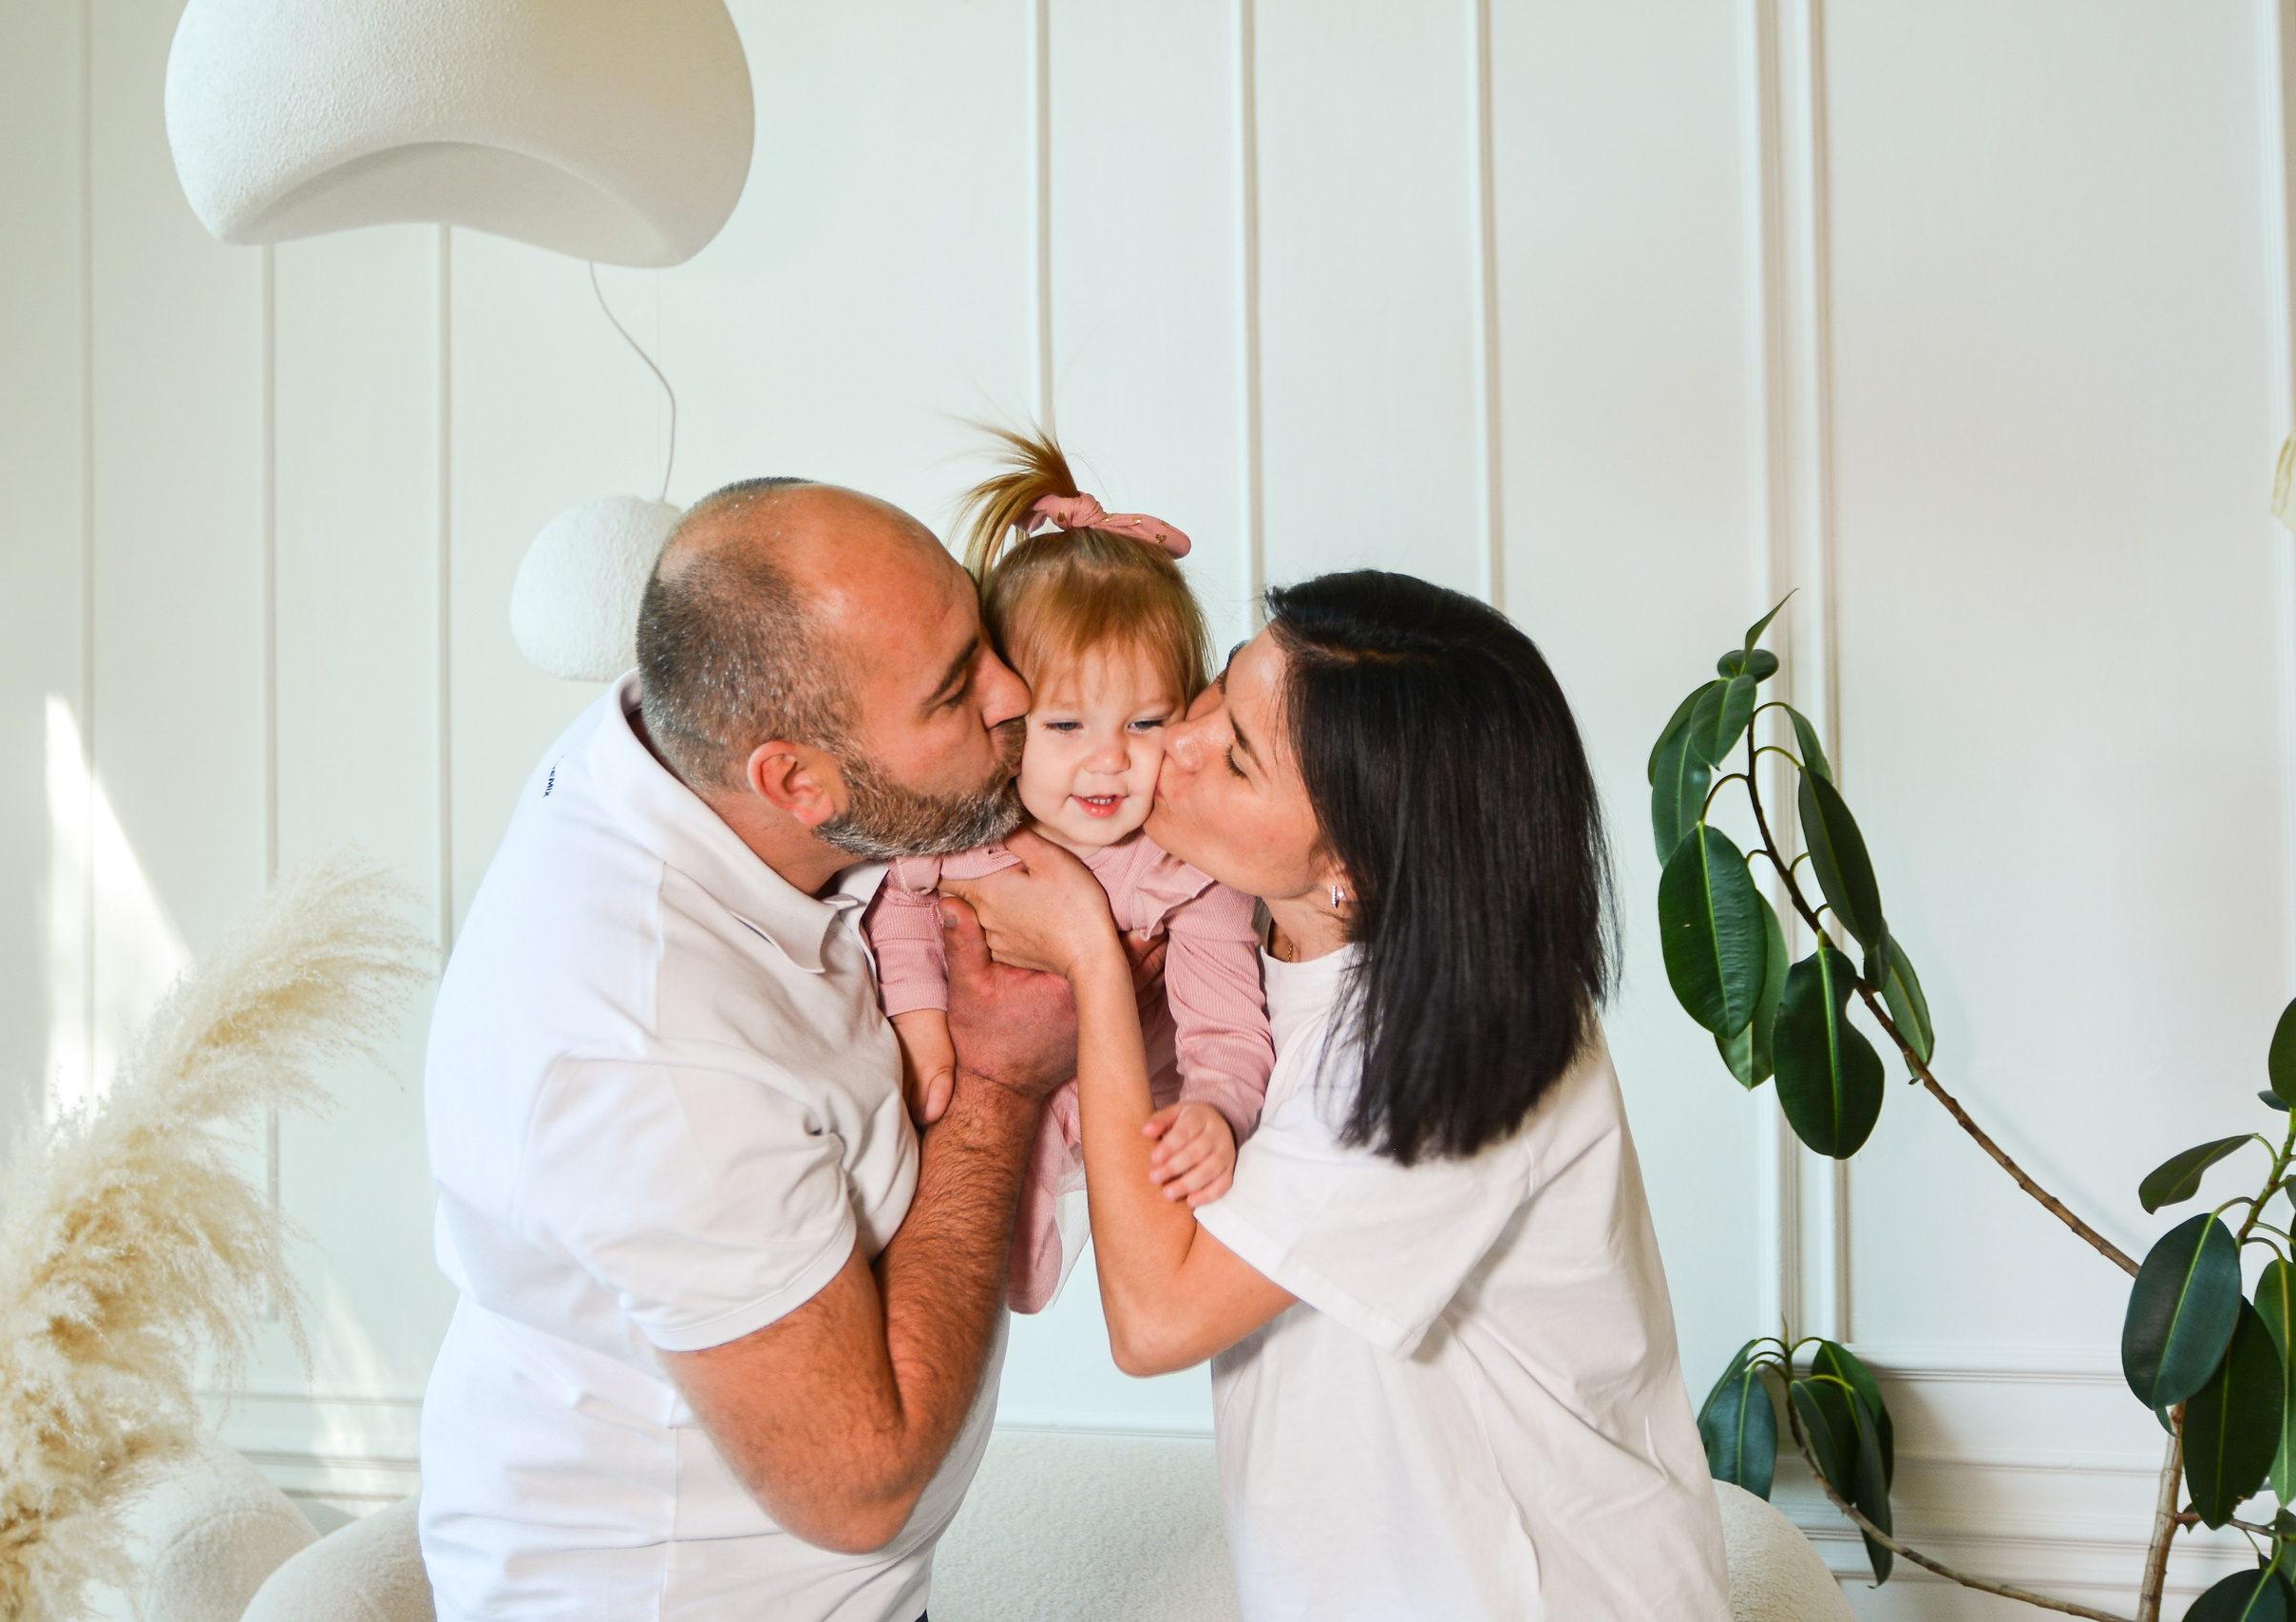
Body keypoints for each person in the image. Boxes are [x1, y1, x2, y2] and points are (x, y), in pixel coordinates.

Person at [945, 570, 1735, 1619]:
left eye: (1232, 756)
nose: (1164, 745)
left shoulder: (1452, 1049)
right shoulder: (1238, 934)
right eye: (1214, 691)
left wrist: (1087, 961)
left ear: (1349, 872)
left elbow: (1156, 1318)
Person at [416, 477, 1090, 1621]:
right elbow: (861, 1487)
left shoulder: (696, 723)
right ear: (795, 783)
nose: (1013, 690)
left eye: (979, 632)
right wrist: (999, 1086)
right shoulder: (645, 1054)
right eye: (952, 690)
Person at [865, 429, 1272, 1312]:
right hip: (962, 1091)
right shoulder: (966, 823)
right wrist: (921, 1022)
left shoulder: (1187, 870)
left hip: (1113, 1118)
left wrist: (1219, 1111)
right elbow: (896, 906)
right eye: (1066, 726)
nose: (1108, 763)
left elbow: (1231, 1031)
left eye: (1144, 723)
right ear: (1005, 712)